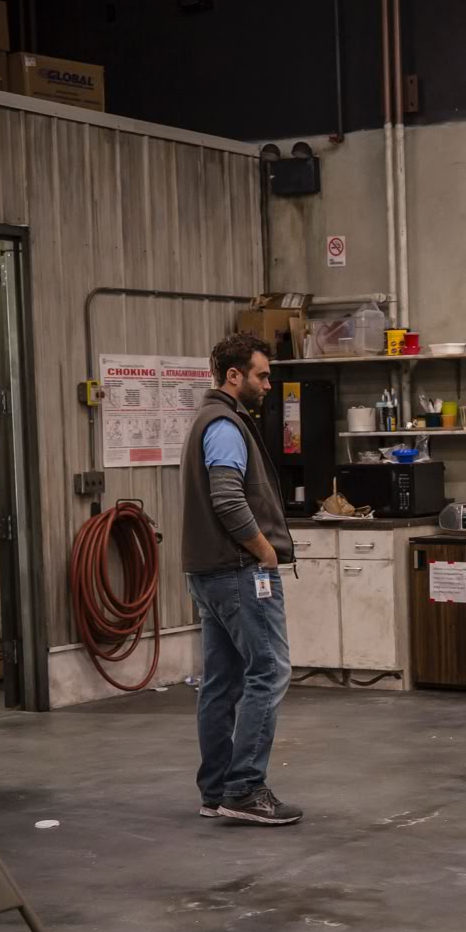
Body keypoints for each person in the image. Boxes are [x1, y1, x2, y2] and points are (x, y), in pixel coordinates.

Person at [179, 332, 301, 825]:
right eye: (261, 375)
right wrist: (265, 551)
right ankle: (245, 788)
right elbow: (228, 500)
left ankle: (216, 792)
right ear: (234, 376)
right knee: (269, 672)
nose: (268, 385)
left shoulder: (209, 420)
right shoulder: (226, 426)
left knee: (222, 682)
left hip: (210, 573)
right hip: (238, 572)